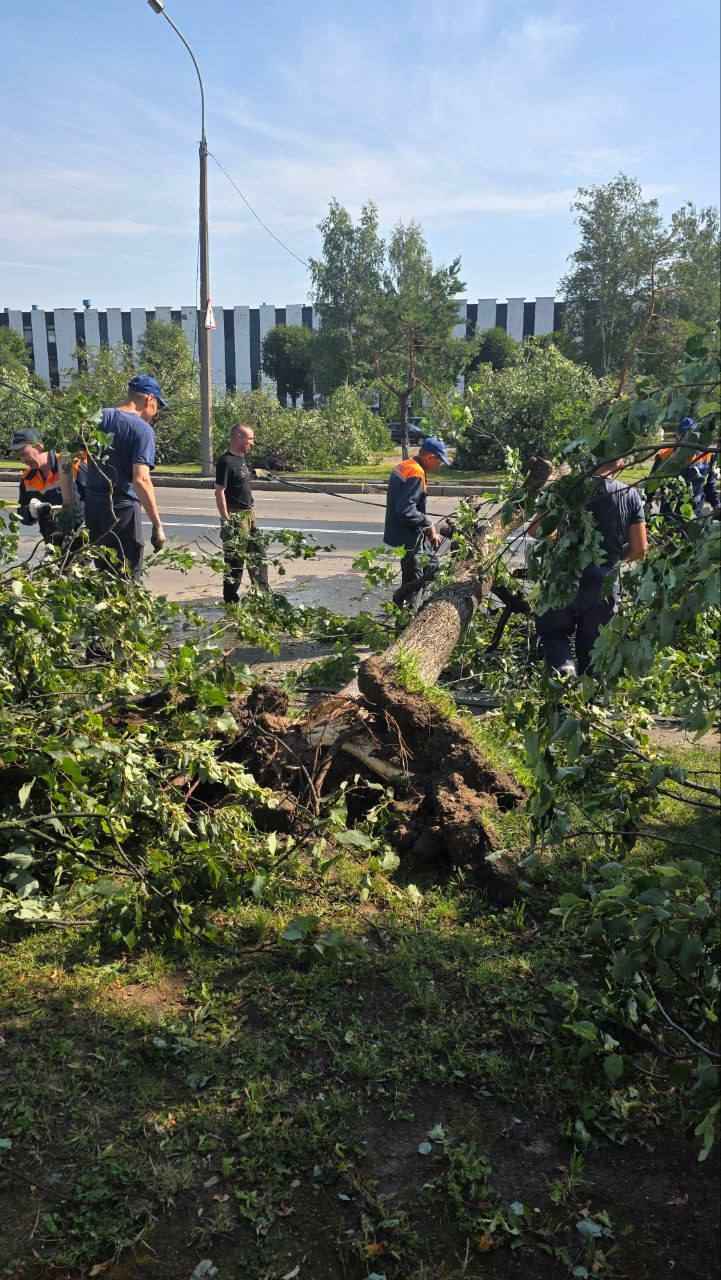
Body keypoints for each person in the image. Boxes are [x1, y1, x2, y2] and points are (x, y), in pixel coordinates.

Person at [530, 458, 648, 677]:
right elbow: (640, 548)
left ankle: (564, 676)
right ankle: (586, 700)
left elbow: (536, 530)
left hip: (562, 579)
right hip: (602, 583)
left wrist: (559, 541)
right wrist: (613, 560)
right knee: (594, 649)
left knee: (554, 635)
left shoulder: (565, 487)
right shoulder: (630, 494)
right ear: (619, 463)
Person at [83, 374, 167, 578]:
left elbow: (67, 459)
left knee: (104, 574)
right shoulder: (142, 430)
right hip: (122, 510)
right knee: (127, 576)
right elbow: (141, 480)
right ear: (149, 399)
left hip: (93, 507)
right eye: (157, 406)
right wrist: (157, 525)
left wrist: (70, 504)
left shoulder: (97, 417)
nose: (155, 414)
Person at [384, 436, 450, 611]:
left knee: (431, 567)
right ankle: (408, 616)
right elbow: (406, 510)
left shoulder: (406, 465)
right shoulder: (415, 473)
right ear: (430, 457)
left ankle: (412, 607)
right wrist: (428, 524)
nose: (440, 466)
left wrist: (429, 530)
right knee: (417, 578)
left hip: (405, 532)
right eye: (440, 461)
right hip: (410, 537)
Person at [214, 423, 269, 602]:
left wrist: (255, 473)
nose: (252, 442)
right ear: (238, 437)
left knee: (258, 555)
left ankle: (262, 594)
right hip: (235, 516)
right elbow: (219, 491)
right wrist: (227, 521)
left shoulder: (242, 458)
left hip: (249, 514)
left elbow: (240, 477)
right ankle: (231, 599)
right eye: (250, 438)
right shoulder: (225, 461)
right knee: (235, 561)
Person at [9, 428, 85, 545]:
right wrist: (30, 511)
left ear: (39, 447)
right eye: (19, 456)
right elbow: (22, 515)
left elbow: (97, 501)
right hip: (52, 544)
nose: (23, 460)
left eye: (24, 453)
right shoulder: (27, 479)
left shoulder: (71, 465)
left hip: (81, 539)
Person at [651, 417, 720, 519]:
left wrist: (717, 505)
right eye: (684, 437)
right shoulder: (665, 456)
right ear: (678, 437)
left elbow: (709, 486)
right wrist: (647, 504)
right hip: (669, 516)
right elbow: (651, 485)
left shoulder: (707, 456)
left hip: (695, 515)